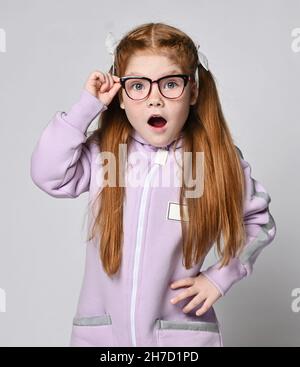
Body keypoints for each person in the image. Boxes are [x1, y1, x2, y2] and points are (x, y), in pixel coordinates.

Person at [30, 22, 276, 347]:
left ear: (193, 92)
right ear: (120, 96)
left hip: (181, 341)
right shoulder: (105, 155)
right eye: (138, 86)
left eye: (170, 84)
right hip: (102, 339)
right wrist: (85, 109)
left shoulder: (213, 160)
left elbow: (258, 223)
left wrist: (220, 278)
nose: (155, 100)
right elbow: (48, 173)